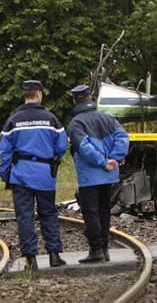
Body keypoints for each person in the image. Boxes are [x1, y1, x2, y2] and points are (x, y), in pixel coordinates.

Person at [0, 80, 68, 270]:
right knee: (49, 214)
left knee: (25, 217)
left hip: (21, 175)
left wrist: (6, 175)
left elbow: (4, 152)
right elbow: (62, 146)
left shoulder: (13, 120)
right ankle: (54, 255)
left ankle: (31, 260)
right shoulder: (51, 119)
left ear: (25, 95)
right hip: (45, 175)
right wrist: (52, 158)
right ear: (39, 94)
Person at [67, 84, 130, 263]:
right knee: (104, 211)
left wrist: (103, 162)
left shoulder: (76, 123)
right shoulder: (108, 118)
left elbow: (84, 147)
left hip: (90, 177)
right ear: (91, 97)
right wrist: (114, 159)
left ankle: (96, 250)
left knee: (90, 212)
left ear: (74, 100)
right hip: (109, 175)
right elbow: (123, 138)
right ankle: (105, 248)